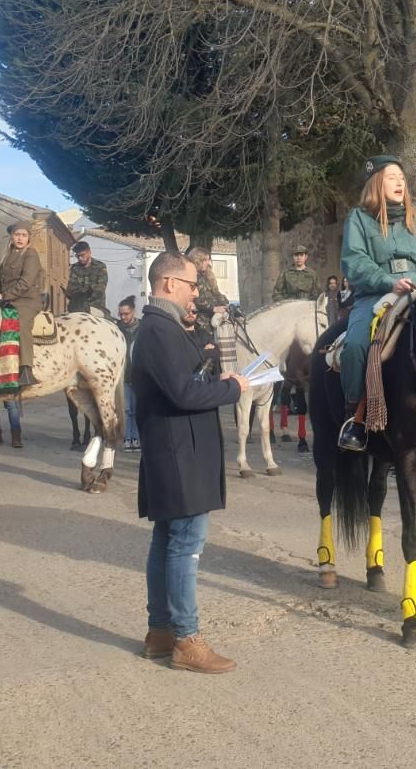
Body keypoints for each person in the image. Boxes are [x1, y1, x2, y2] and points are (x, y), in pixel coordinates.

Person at [133, 249, 249, 673]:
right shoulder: (158, 330)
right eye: (190, 284)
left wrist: (212, 373)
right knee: (185, 546)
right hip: (178, 452)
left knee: (167, 540)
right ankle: (186, 639)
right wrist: (232, 389)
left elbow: (183, 382)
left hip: (178, 450)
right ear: (167, 284)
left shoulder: (165, 328)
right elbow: (183, 394)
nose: (195, 293)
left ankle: (161, 632)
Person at [337, 156, 416, 451]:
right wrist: (387, 281)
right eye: (392, 178)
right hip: (375, 295)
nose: (399, 183)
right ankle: (354, 417)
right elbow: (354, 260)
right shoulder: (359, 218)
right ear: (377, 182)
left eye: (402, 179)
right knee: (355, 345)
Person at [0, 220, 46, 389]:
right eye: (17, 235)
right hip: (8, 299)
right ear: (11, 237)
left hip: (27, 301)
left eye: (23, 235)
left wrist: (3, 296)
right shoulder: (7, 255)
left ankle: (26, 370)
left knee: (20, 324)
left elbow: (26, 282)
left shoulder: (30, 254)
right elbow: (2, 282)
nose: (20, 238)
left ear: (28, 238)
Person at [118, 297, 142, 452]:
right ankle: (128, 438)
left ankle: (137, 439)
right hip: (124, 375)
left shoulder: (143, 328)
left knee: (138, 409)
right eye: (120, 314)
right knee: (127, 409)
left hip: (139, 376)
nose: (123, 317)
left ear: (133, 312)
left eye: (126, 314)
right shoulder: (117, 329)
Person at [65, 241, 109, 315]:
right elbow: (71, 289)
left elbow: (100, 289)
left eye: (82, 255)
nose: (80, 258)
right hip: (77, 307)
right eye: (77, 256)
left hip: (96, 306)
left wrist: (83, 297)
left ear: (89, 252)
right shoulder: (74, 268)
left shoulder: (100, 267)